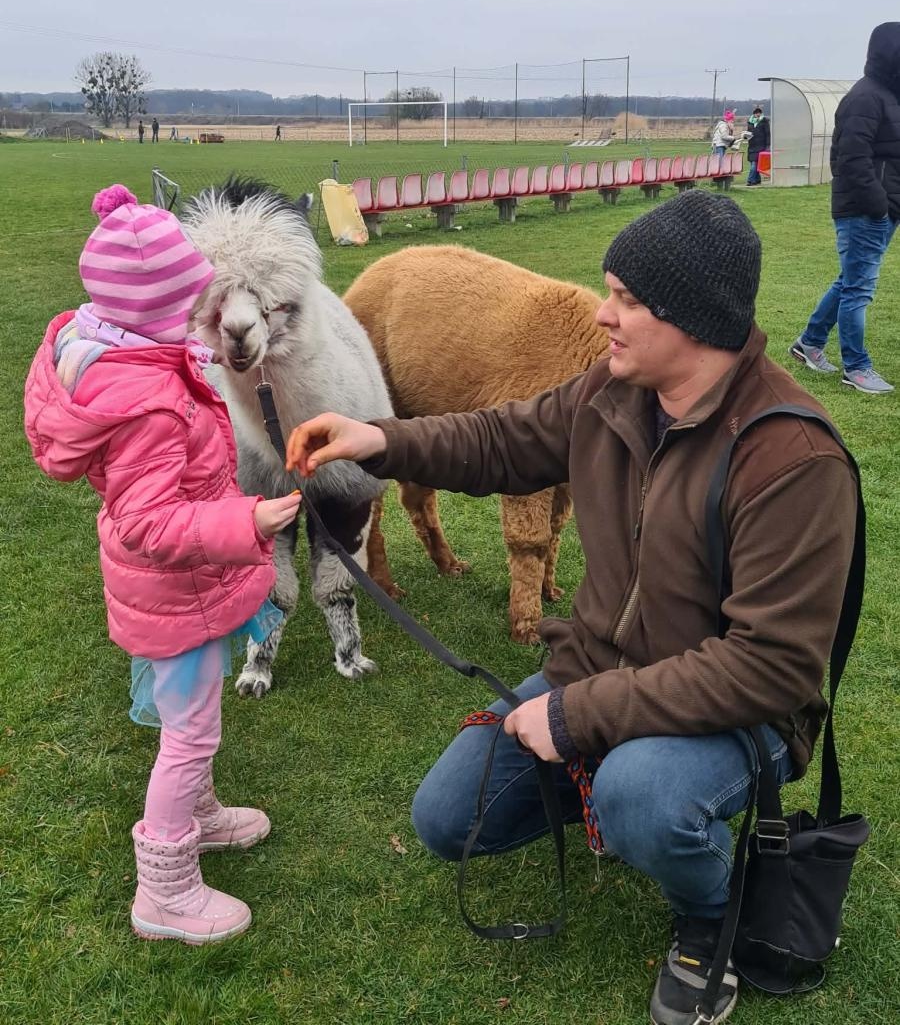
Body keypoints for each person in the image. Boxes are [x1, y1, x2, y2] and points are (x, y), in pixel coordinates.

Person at [285, 190, 857, 1025]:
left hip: (743, 713)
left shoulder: (794, 459)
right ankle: (624, 799)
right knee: (448, 820)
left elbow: (771, 668)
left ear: (692, 320)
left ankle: (708, 912)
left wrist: (577, 717)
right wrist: (381, 438)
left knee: (641, 797)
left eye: (626, 299)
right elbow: (502, 439)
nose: (602, 315)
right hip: (597, 668)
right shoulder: (614, 392)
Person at [24, 184, 302, 944]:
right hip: (173, 586)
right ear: (154, 308)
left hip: (184, 587)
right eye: (190, 304)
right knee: (188, 736)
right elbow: (150, 520)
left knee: (194, 722)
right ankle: (166, 889)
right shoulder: (144, 401)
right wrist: (248, 518)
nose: (201, 318)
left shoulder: (124, 350)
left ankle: (201, 816)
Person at [790, 22, 899, 394]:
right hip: (865, 210)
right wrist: (878, 205)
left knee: (849, 281)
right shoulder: (866, 97)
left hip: (882, 209)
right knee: (858, 289)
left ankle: (809, 341)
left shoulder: (887, 95)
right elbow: (851, 158)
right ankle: (857, 368)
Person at [745, 105, 769, 186]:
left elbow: (768, 134)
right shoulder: (750, 122)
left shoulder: (764, 121)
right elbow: (748, 132)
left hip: (761, 146)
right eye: (756, 113)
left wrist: (768, 146)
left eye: (759, 112)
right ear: (754, 114)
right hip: (752, 146)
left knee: (754, 165)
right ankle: (757, 180)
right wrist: (746, 136)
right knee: (754, 165)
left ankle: (750, 180)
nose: (757, 114)